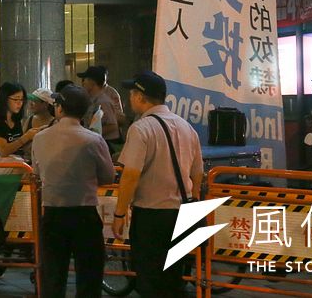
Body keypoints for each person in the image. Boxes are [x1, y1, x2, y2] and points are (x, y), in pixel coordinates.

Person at [111, 72, 202, 298]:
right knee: (173, 279)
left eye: (132, 94)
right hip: (181, 214)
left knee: (149, 278)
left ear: (141, 97)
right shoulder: (186, 127)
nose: (130, 98)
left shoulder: (141, 129)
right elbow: (197, 174)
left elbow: (131, 175)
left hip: (151, 217)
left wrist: (120, 214)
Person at [32, 86, 116, 298]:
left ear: (59, 108)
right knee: (89, 277)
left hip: (52, 214)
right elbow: (108, 176)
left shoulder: (40, 138)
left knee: (53, 277)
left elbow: (37, 171)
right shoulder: (93, 140)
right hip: (84, 215)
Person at [0, 82, 32, 160]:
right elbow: (4, 151)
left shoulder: (16, 120)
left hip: (16, 159)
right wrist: (26, 137)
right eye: (15, 99)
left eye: (21, 99)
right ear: (4, 99)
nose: (19, 103)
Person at [77, 65, 124, 146]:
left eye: (86, 79)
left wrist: (92, 134)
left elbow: (113, 125)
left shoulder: (103, 101)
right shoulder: (94, 99)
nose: (83, 82)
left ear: (92, 83)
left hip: (107, 143)